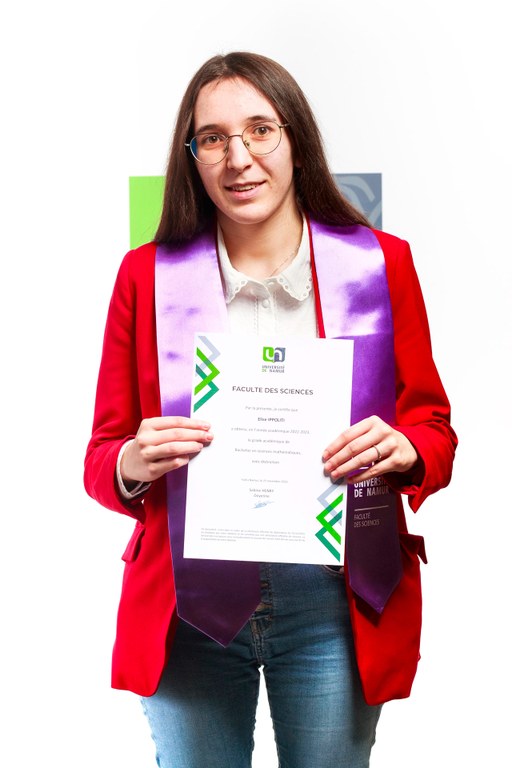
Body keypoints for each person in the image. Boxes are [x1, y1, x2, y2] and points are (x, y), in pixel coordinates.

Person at [84, 51, 457, 768]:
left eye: (260, 129)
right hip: (190, 600)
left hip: (332, 600)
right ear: (192, 157)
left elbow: (435, 432)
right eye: (213, 138)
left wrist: (406, 449)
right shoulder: (145, 275)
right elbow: (101, 460)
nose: (239, 158)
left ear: (296, 140)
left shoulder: (381, 263)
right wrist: (133, 460)